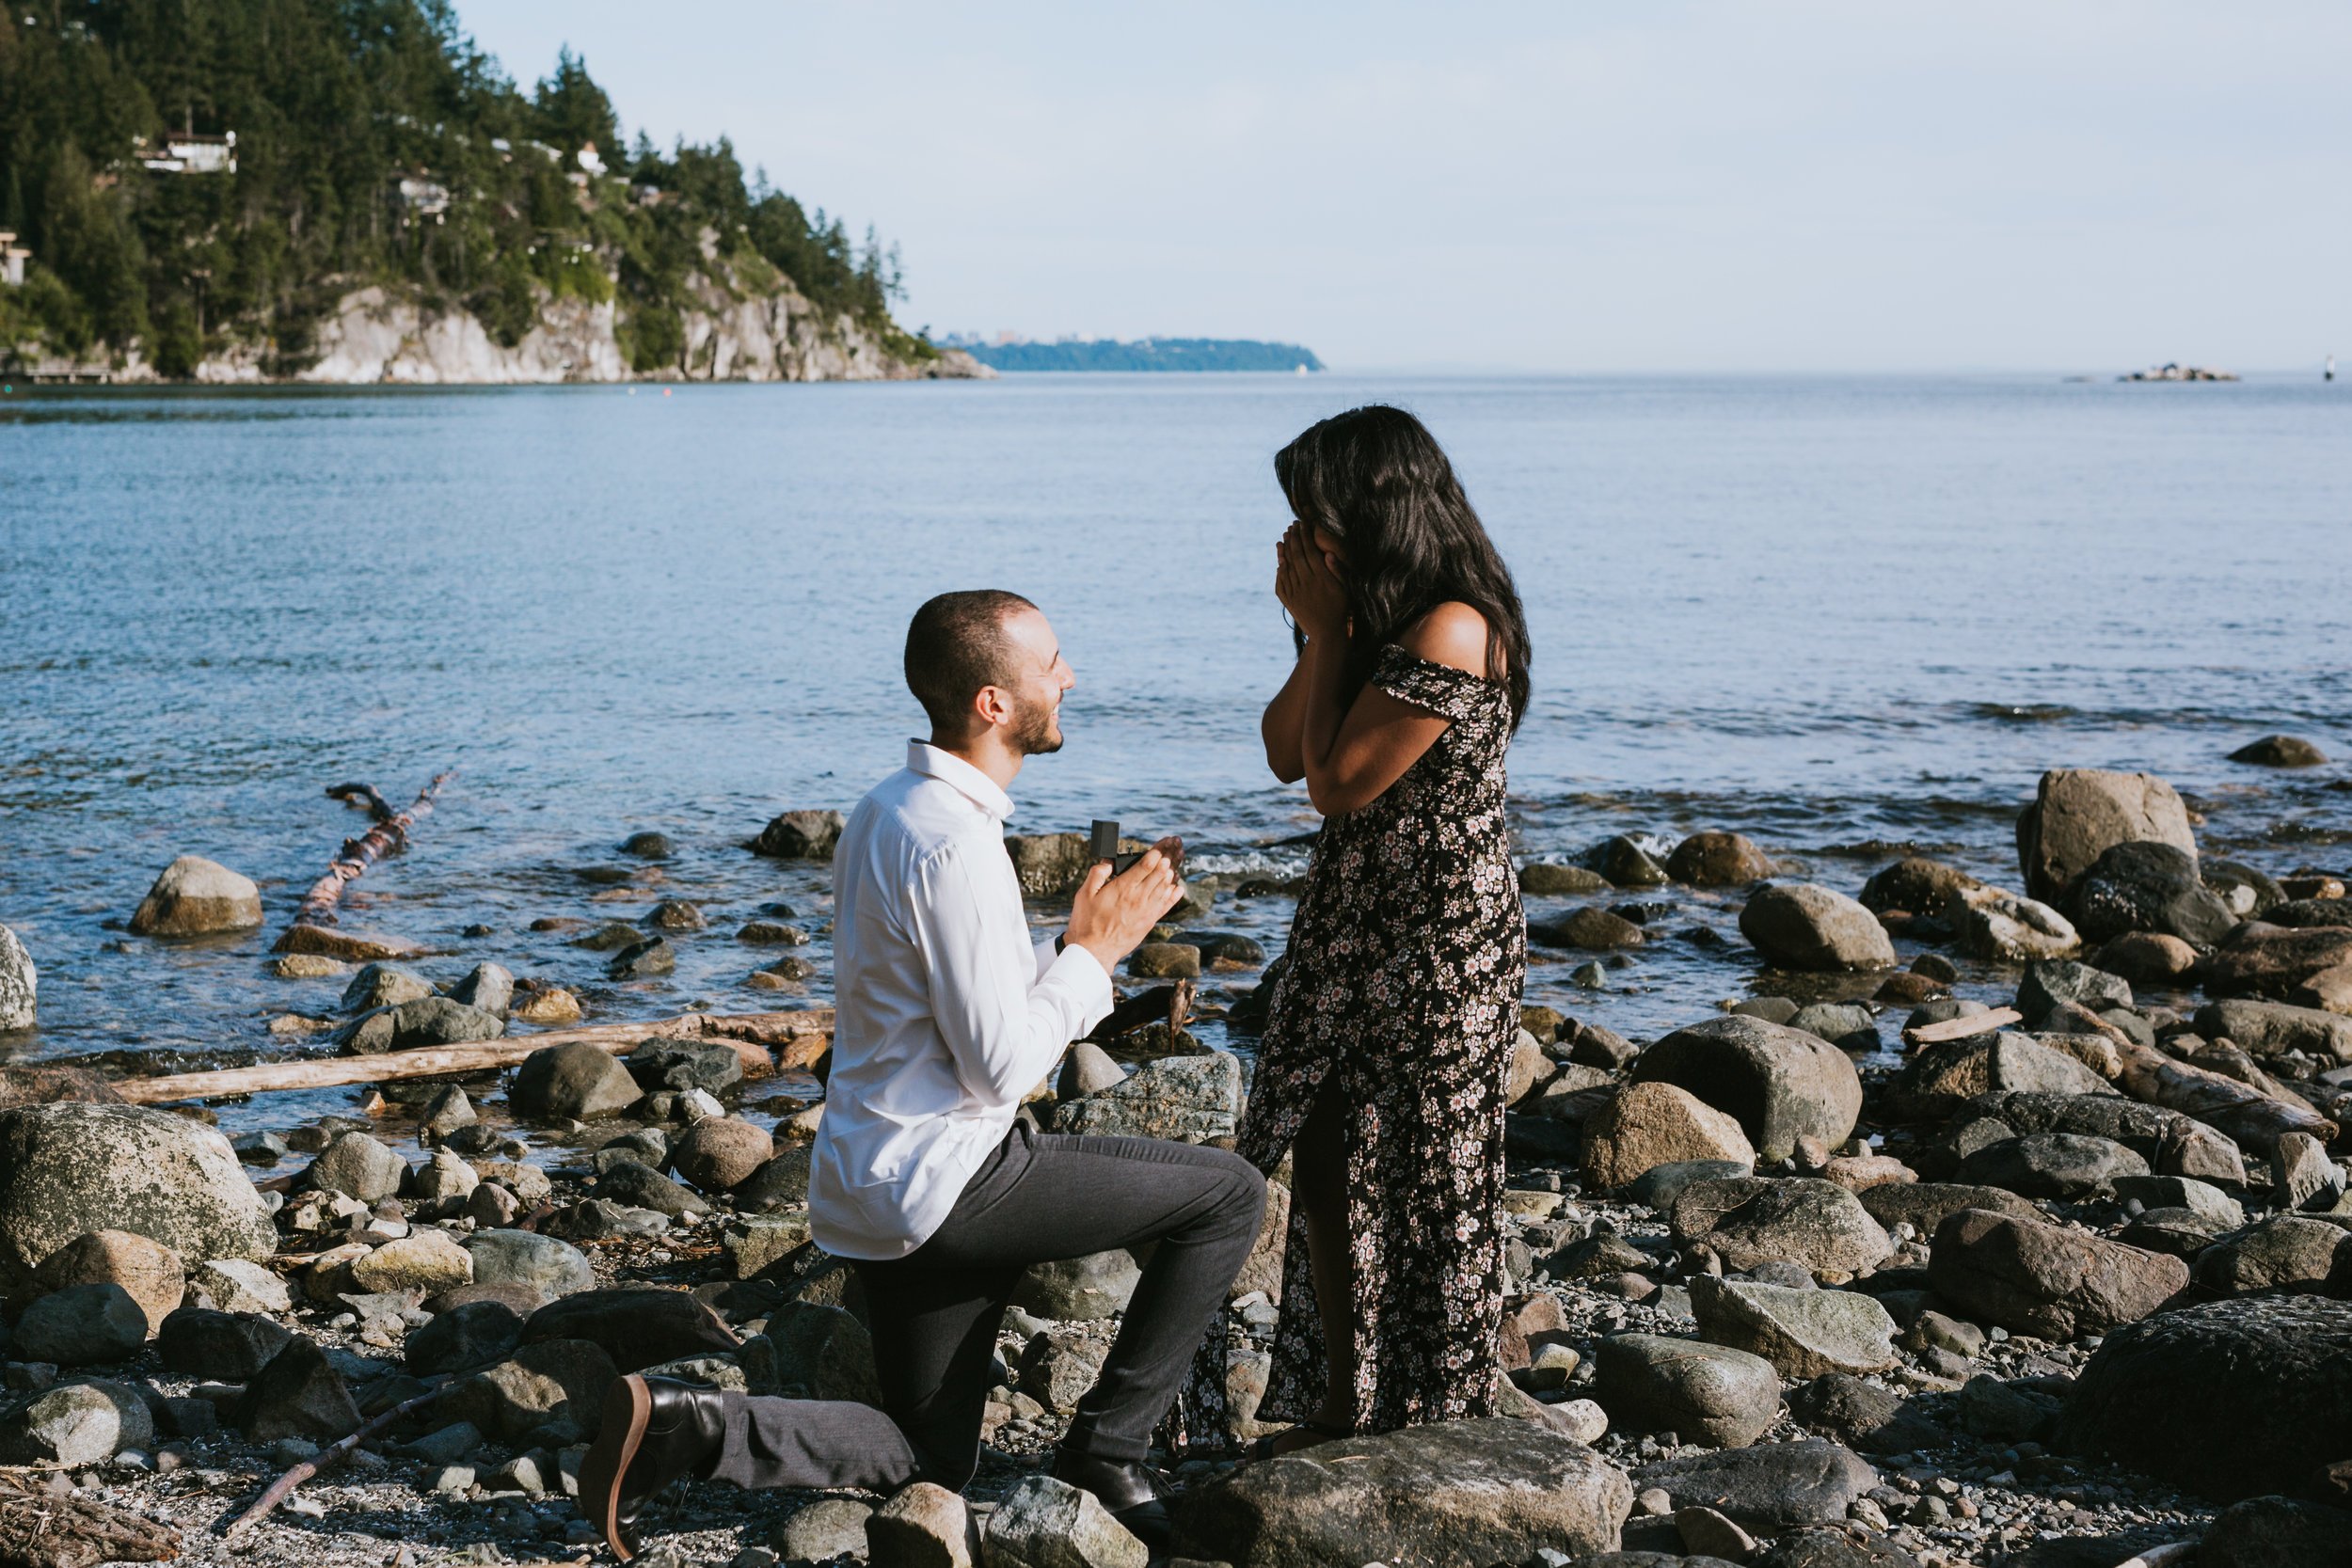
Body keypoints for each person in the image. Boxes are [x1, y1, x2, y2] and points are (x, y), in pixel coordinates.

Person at [579, 590, 1267, 1560]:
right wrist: (1096, 958)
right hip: (953, 1179)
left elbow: (950, 1013)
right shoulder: (954, 842)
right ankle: (1110, 1451)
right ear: (994, 700)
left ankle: (691, 1424)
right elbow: (997, 1066)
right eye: (1053, 662)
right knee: (1228, 1195)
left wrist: (1069, 943)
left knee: (929, 1455)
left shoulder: (889, 809)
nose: (1069, 676)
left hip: (877, 1182)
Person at [1237, 404, 1531, 1449]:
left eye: (1310, 519)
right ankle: (1340, 1400)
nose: (1296, 542)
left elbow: (1334, 785)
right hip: (1353, 915)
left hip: (1439, 929)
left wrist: (1325, 629)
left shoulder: (1453, 624)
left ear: (1370, 510)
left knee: (1424, 1164)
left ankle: (1431, 1406)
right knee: (1312, 1135)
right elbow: (1283, 748)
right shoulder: (1371, 620)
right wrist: (1324, 629)